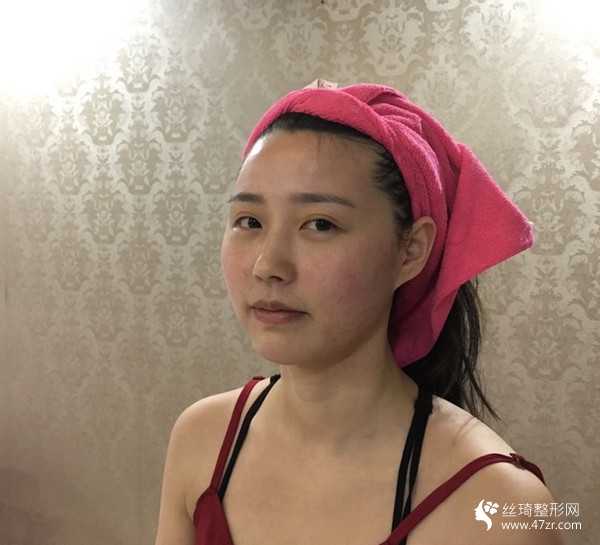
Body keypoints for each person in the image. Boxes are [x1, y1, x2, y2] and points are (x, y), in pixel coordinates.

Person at [154, 81, 564, 545]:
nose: (267, 265)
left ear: (410, 250)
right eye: (249, 221)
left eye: (320, 224)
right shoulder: (202, 440)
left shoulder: (498, 507)